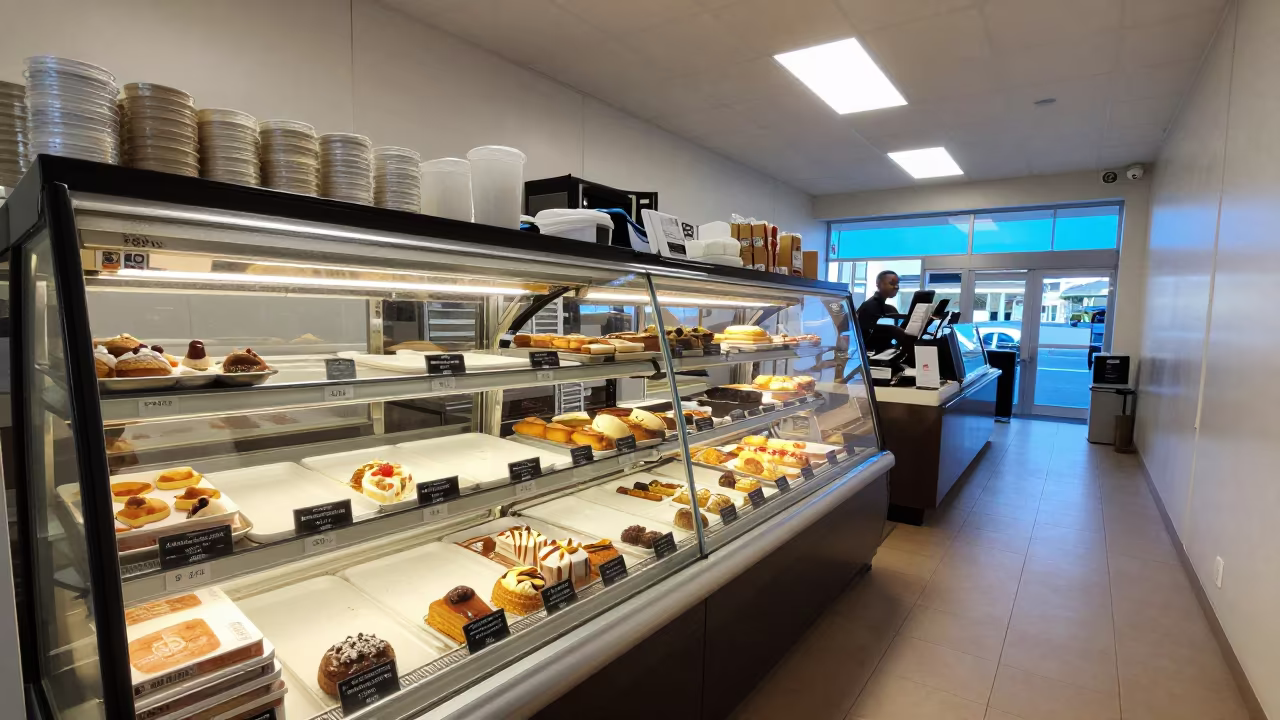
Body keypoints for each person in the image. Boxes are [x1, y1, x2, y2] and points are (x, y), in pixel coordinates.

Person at [856, 270, 912, 354]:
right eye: (892, 283)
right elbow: (865, 335)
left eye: (897, 284)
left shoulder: (889, 309)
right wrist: (893, 330)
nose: (896, 287)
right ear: (878, 284)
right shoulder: (869, 306)